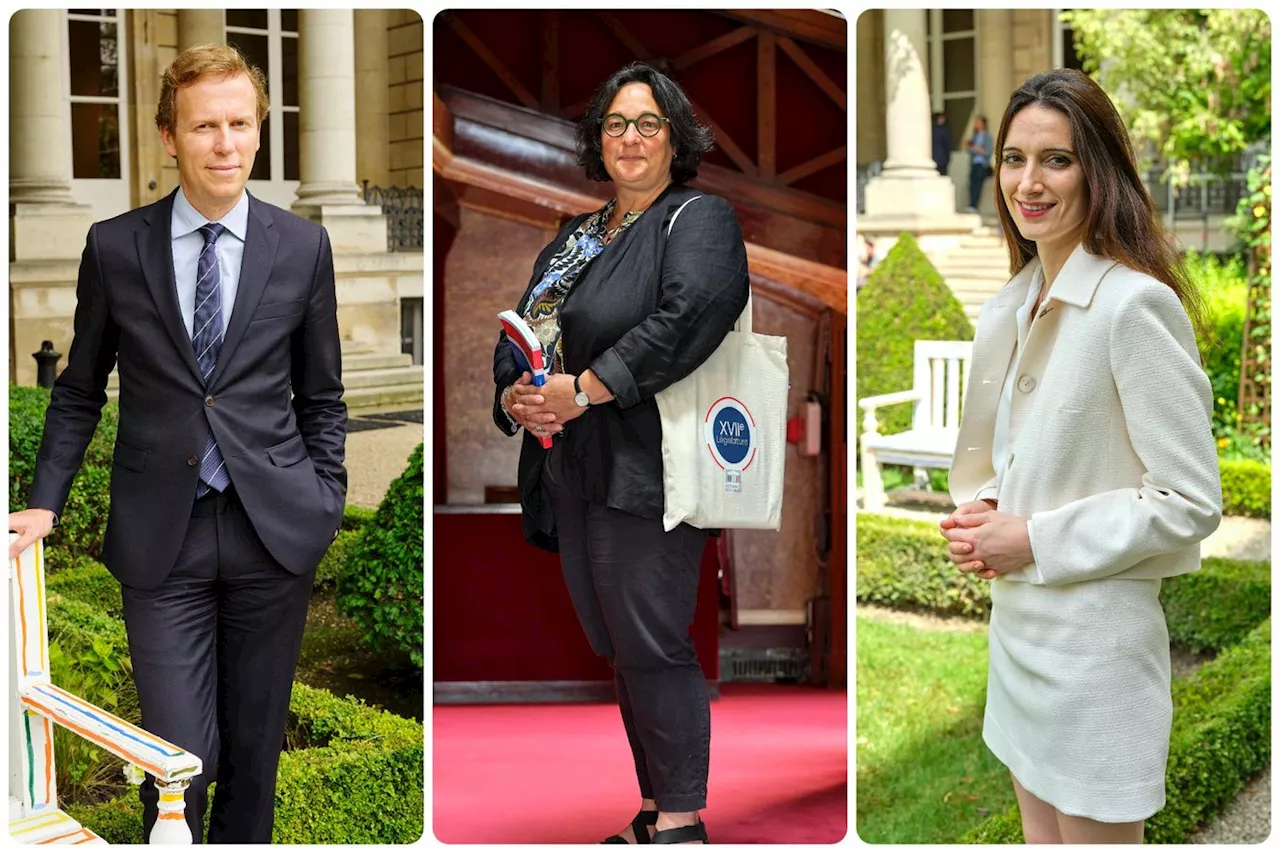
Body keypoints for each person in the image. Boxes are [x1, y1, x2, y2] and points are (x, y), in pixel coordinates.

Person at [7, 44, 347, 843]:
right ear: (169, 136)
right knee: (173, 758)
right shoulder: (115, 246)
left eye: (239, 124)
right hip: (164, 540)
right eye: (205, 127)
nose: (225, 143)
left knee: (255, 760)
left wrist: (324, 498)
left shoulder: (303, 248)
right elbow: (80, 388)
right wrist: (42, 501)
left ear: (259, 132)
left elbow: (323, 397)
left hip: (275, 533)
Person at [939, 68, 1221, 844]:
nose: (1029, 182)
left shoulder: (1135, 305)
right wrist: (993, 508)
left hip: (1097, 657)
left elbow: (1190, 501)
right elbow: (1036, 452)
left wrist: (1030, 537)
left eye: (1056, 159)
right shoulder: (1013, 299)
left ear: (1098, 169)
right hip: (1021, 637)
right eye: (1013, 158)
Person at [492, 61, 748, 845]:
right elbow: (523, 330)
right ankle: (653, 805)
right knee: (620, 643)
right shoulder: (576, 236)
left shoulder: (698, 218)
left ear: (677, 138)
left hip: (651, 464)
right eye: (614, 123)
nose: (629, 138)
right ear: (595, 140)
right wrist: (516, 394)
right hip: (573, 466)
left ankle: (681, 818)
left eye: (647, 123)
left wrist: (588, 387)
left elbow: (689, 316)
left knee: (653, 639)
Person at [965, 114, 992, 211]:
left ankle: (974, 206)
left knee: (978, 184)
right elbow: (968, 149)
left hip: (982, 164)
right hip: (974, 163)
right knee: (972, 184)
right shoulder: (975, 136)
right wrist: (977, 149)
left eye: (979, 122)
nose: (977, 124)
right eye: (976, 122)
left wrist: (976, 148)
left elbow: (988, 151)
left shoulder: (987, 137)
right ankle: (971, 204)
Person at [932, 111, 951, 176]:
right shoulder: (943, 130)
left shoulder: (932, 129)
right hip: (941, 159)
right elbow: (947, 145)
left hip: (935, 159)